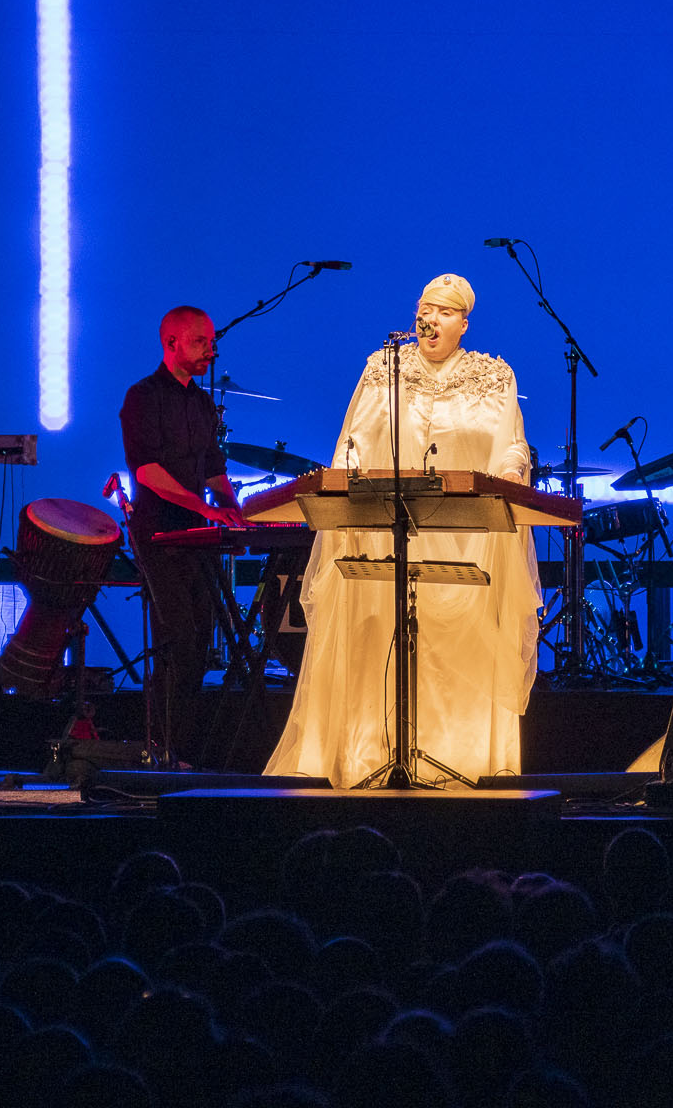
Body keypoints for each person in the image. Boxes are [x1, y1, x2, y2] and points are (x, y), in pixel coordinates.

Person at [264, 273, 539, 787]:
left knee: (456, 651)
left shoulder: (494, 376)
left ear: (464, 322)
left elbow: (510, 444)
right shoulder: (384, 366)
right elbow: (354, 440)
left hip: (464, 536)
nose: (429, 318)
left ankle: (460, 761)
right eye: (424, 307)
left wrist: (507, 475)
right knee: (384, 638)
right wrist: (343, 476)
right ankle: (375, 753)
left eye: (443, 310)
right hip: (388, 529)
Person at [119, 306, 242, 767]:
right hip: (157, 533)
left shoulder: (202, 403)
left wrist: (234, 511)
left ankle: (181, 751)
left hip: (195, 534)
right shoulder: (142, 398)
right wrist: (205, 509)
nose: (211, 349)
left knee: (201, 645)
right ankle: (161, 748)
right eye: (200, 342)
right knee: (180, 644)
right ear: (171, 343)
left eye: (211, 341)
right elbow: (148, 472)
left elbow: (213, 469)